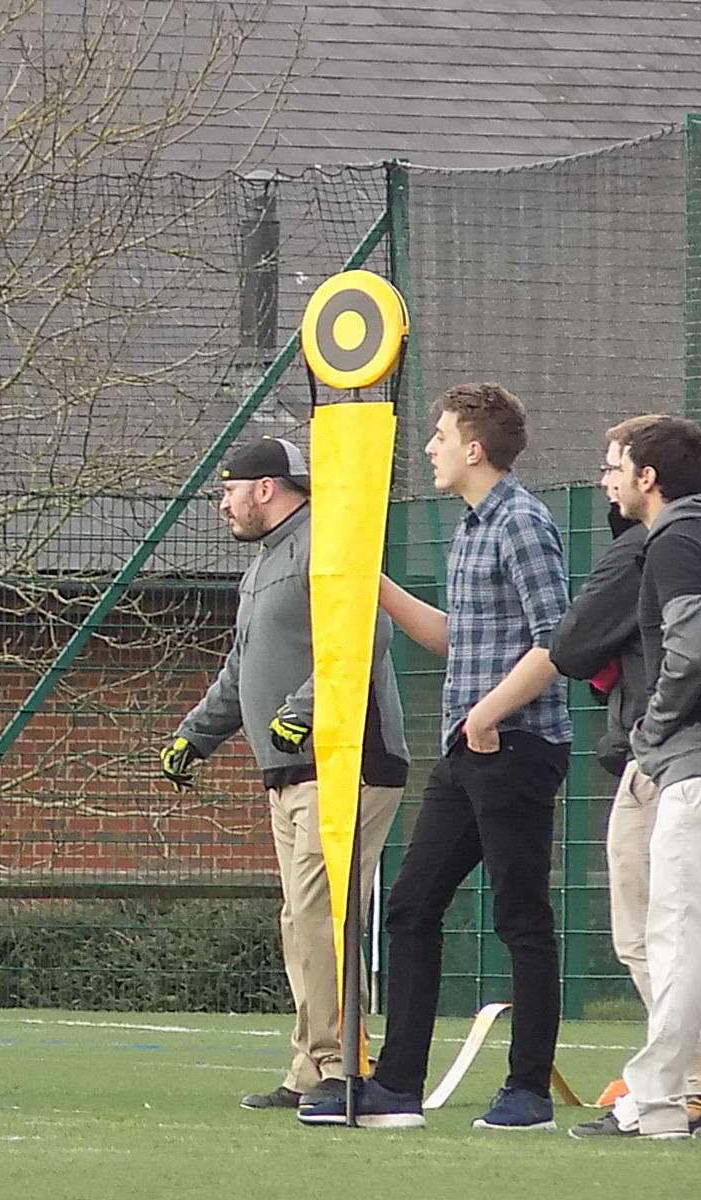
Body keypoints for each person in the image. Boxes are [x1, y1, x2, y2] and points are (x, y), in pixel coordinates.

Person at [303, 382, 572, 1131]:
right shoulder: (470, 529)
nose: (430, 449)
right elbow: (461, 639)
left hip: (515, 746)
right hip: (465, 748)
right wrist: (373, 584)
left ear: (475, 449)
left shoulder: (522, 523)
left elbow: (556, 641)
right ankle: (396, 1086)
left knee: (520, 917)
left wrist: (488, 715)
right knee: (412, 906)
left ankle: (528, 1092)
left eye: (442, 436)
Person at [159, 436, 408, 1119]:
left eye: (228, 490)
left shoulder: (327, 541)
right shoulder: (267, 562)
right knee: (301, 919)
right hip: (291, 771)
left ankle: (341, 1067)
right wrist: (196, 734)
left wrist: (304, 709)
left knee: (322, 917)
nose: (222, 504)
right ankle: (310, 1065)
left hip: (346, 761)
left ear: (265, 487)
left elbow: (366, 634)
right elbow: (242, 666)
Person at [548, 415, 701, 1114]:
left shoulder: (670, 538)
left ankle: (672, 1094)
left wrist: (653, 726)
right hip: (666, 758)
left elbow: (683, 651)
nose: (606, 480)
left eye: (614, 466)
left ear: (648, 476)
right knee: (660, 935)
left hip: (676, 761)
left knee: (666, 935)